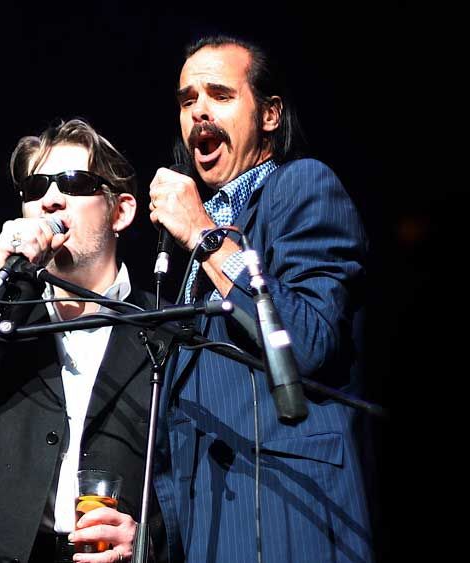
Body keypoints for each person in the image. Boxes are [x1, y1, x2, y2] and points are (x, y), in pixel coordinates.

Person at [148, 36, 372, 562]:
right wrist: (149, 536)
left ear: (270, 114)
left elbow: (309, 342)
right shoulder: (204, 244)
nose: (199, 110)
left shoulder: (302, 187)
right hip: (211, 533)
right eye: (187, 99)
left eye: (220, 95)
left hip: (292, 522)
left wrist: (205, 238)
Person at [0, 119, 167, 563]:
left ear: (121, 211)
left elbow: (199, 474)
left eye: (74, 183)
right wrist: (3, 293)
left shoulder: (165, 329)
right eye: (35, 188)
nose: (49, 200)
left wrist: (149, 540)